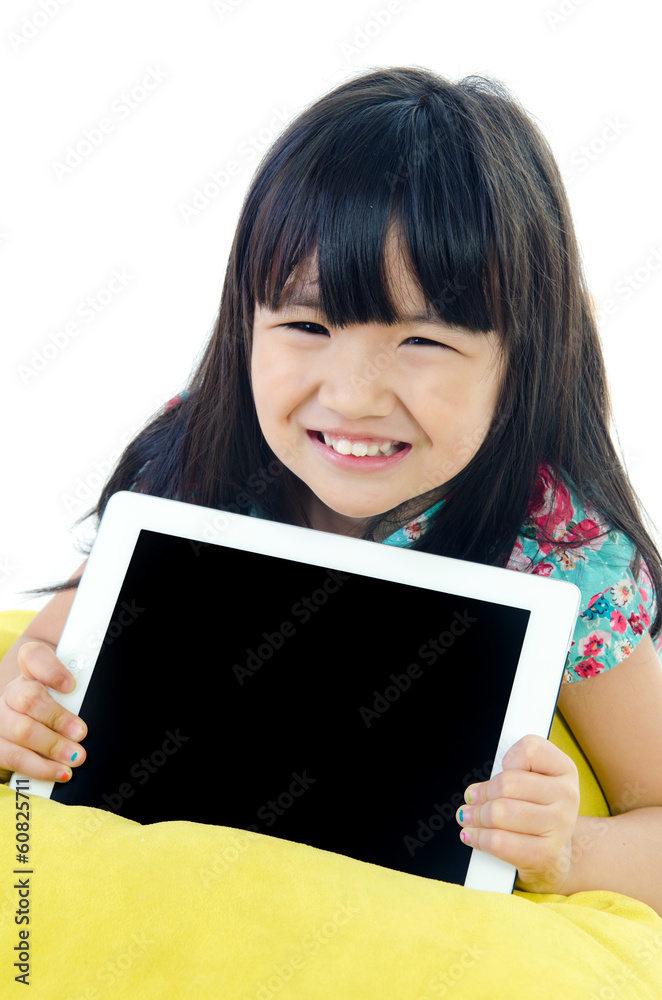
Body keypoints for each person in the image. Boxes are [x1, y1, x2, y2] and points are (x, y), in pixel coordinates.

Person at [2, 65, 662, 910]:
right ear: (245, 323)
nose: (351, 396)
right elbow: (39, 664)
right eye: (307, 326)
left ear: (522, 358)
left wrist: (568, 848)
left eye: (422, 341)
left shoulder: (559, 550)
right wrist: (20, 714)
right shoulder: (206, 456)